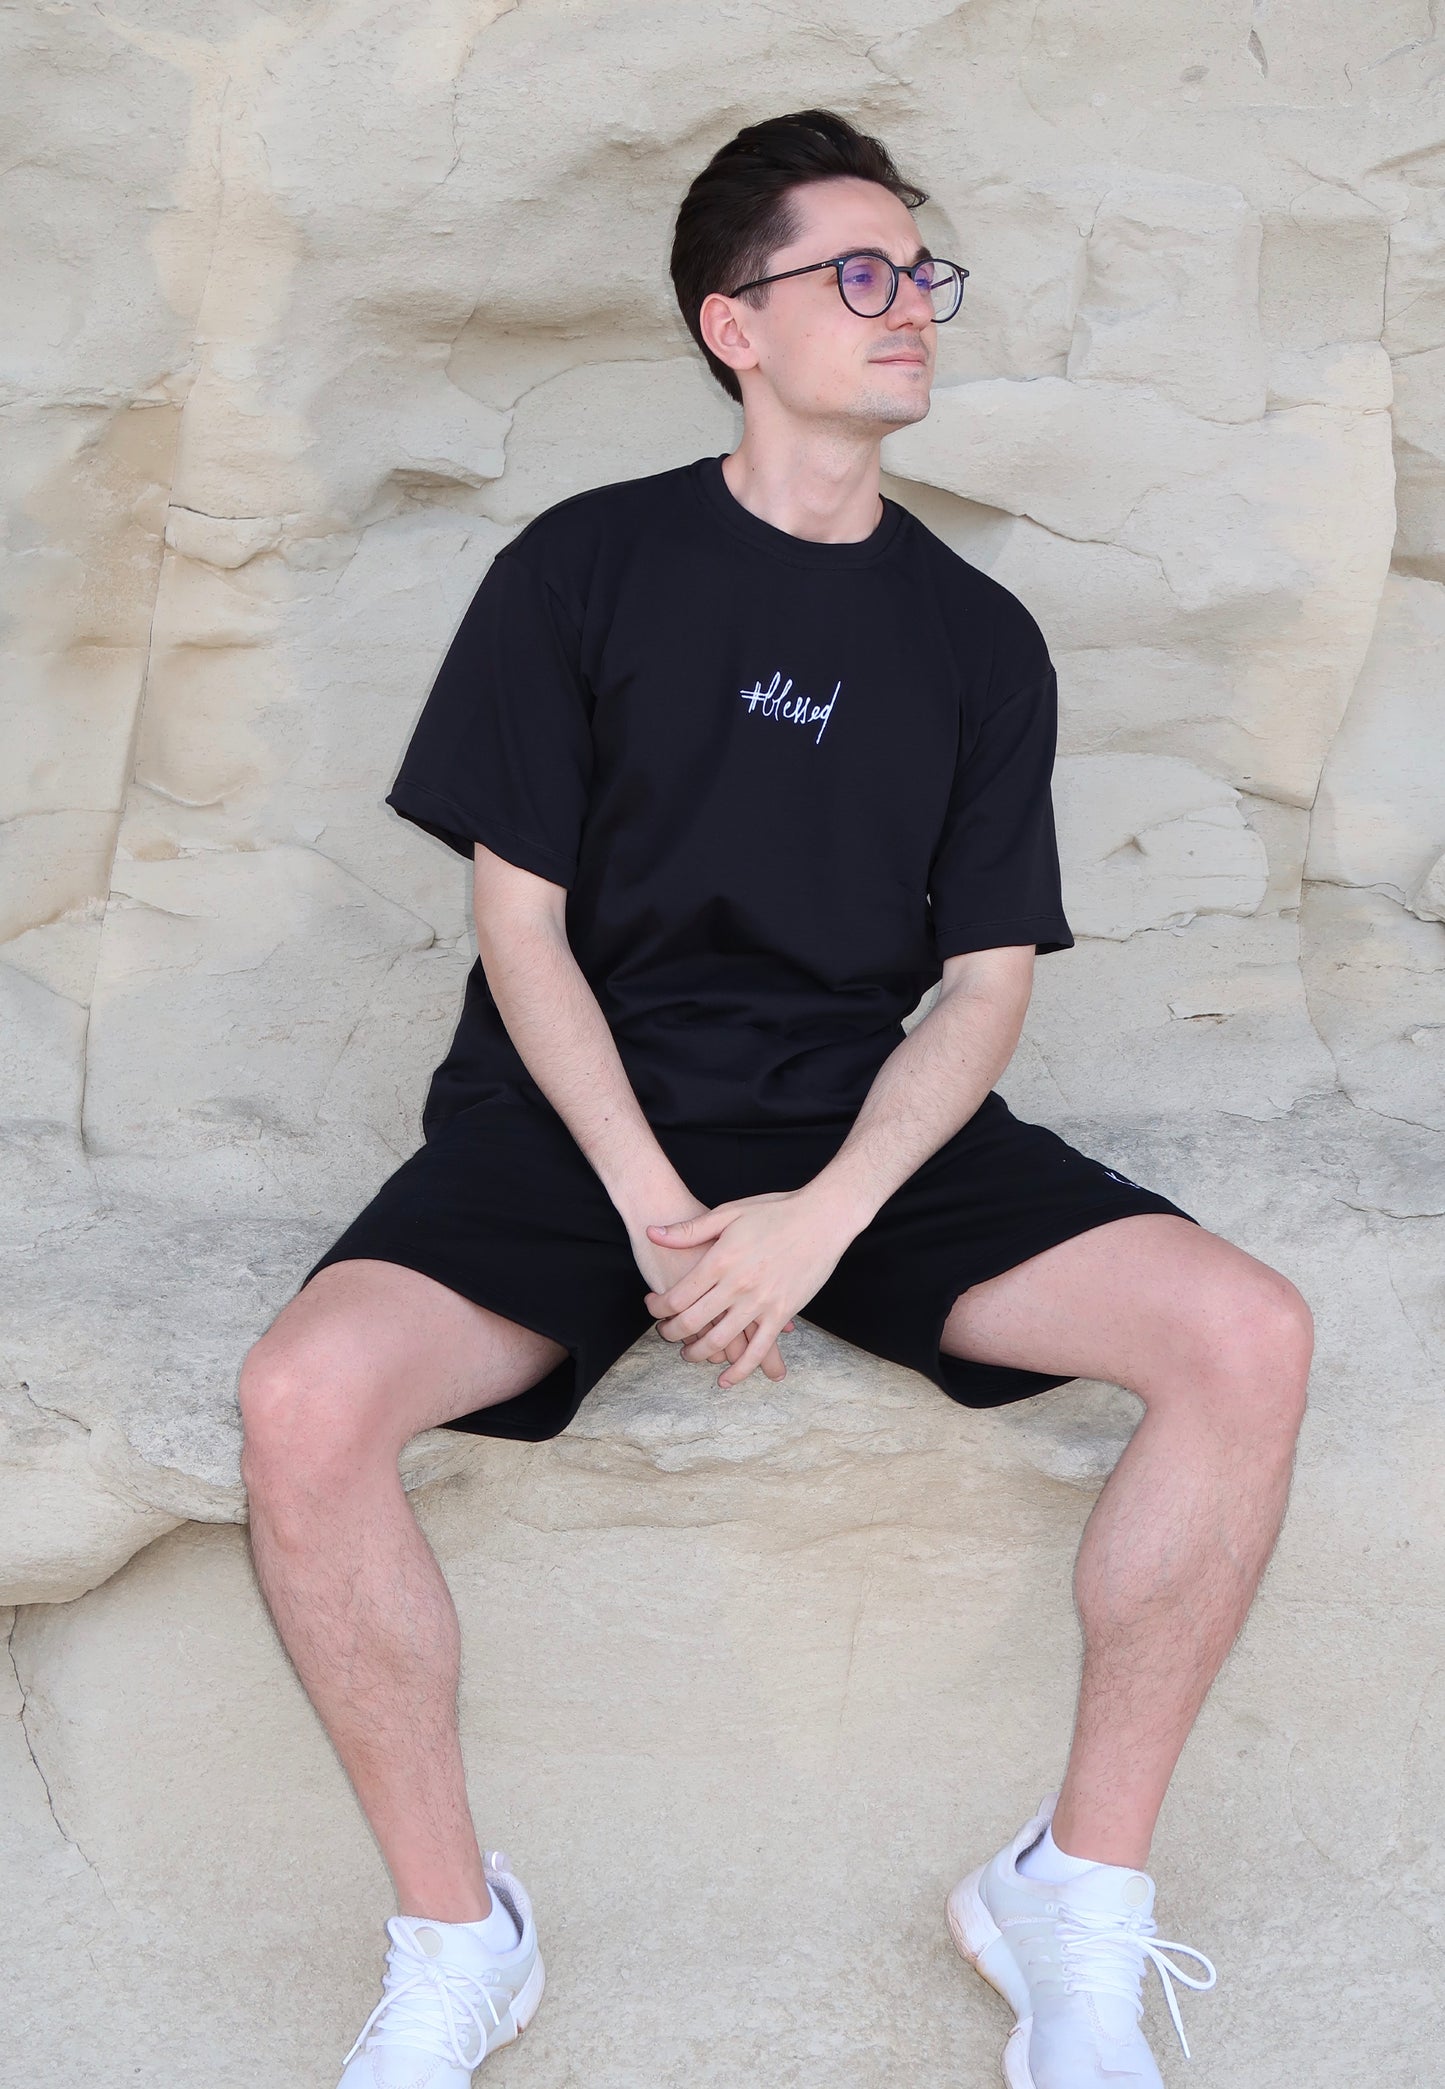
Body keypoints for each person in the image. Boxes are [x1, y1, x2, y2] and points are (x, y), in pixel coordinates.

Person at [236, 108, 1314, 2089]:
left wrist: (816, 1223)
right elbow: (519, 928)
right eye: (862, 273)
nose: (913, 308)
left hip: (859, 1126)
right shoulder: (583, 568)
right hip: (570, 1123)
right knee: (302, 1398)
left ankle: (1070, 1899)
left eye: (924, 273)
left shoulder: (974, 635)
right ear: (735, 326)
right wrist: (660, 1212)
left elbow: (983, 985)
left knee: (1246, 1332)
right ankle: (459, 1938)